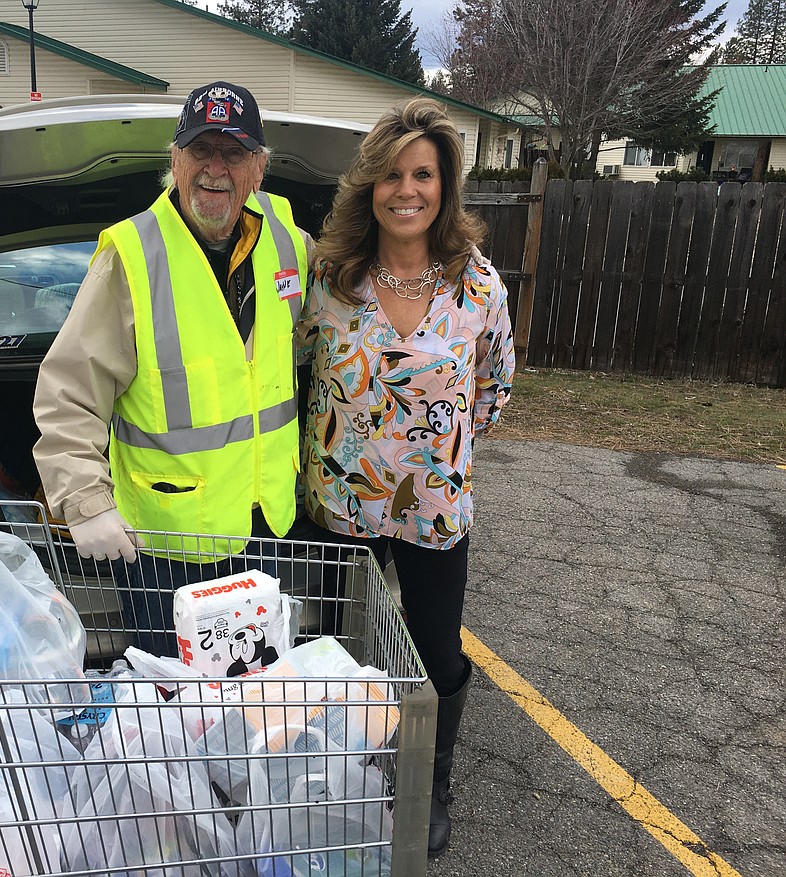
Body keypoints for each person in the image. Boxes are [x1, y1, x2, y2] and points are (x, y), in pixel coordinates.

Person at [297, 97, 515, 856]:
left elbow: (495, 386)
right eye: (391, 174)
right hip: (339, 505)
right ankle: (323, 775)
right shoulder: (329, 280)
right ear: (370, 186)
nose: (407, 190)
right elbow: (294, 376)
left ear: (444, 184)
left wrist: (441, 452)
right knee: (331, 643)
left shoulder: (477, 287)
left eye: (422, 173)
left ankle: (429, 782)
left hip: (432, 508)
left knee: (435, 651)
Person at [33, 81, 313, 653]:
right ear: (175, 160)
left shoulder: (287, 239)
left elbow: (334, 315)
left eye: (232, 153)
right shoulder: (133, 255)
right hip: (167, 546)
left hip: (265, 529)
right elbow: (69, 390)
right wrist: (85, 501)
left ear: (258, 168)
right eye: (199, 151)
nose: (215, 169)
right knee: (174, 718)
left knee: (255, 709)